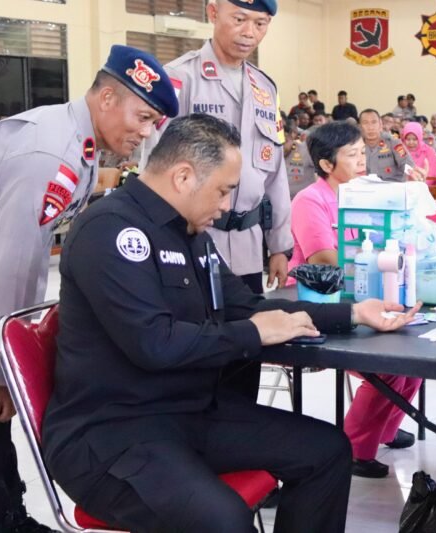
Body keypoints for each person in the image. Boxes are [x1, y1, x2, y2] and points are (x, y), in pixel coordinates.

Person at [43, 114, 420, 532]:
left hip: (189, 412)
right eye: (223, 191)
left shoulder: (189, 233)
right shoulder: (110, 230)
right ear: (183, 177)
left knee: (327, 451)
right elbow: (154, 343)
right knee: (224, 519)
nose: (226, 207)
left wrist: (353, 313)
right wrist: (253, 333)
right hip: (113, 433)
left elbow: (246, 306)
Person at [0, 44, 177, 533]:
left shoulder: (75, 141)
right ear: (107, 98)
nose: (146, 132)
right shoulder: (51, 152)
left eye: (153, 122)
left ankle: (8, 514)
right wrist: (0, 365)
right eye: (143, 117)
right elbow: (15, 263)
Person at [140, 0, 296, 404]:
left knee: (245, 358)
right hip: (193, 243)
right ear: (213, 13)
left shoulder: (264, 87)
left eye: (260, 23)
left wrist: (280, 244)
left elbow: (275, 171)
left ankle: (240, 431)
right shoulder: (180, 78)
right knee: (200, 357)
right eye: (239, 19)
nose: (249, 32)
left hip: (247, 247)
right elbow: (155, 168)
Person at [286, 121, 423, 478]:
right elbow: (324, 259)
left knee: (413, 364)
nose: (362, 160)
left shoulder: (364, 194)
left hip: (360, 294)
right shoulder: (310, 200)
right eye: (352, 155)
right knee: (388, 367)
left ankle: (383, 430)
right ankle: (354, 449)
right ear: (326, 164)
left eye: (363, 152)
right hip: (321, 303)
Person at [359, 109, 427, 182]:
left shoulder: (393, 142)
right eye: (365, 123)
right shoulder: (356, 146)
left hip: (392, 186)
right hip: (366, 187)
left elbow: (405, 161)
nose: (370, 127)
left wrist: (411, 172)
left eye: (374, 122)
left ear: (380, 124)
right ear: (360, 126)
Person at [283, 120, 314, 199]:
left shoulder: (306, 150)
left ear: (291, 137)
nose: (281, 147)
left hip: (303, 200)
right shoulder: (270, 153)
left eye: (284, 142)